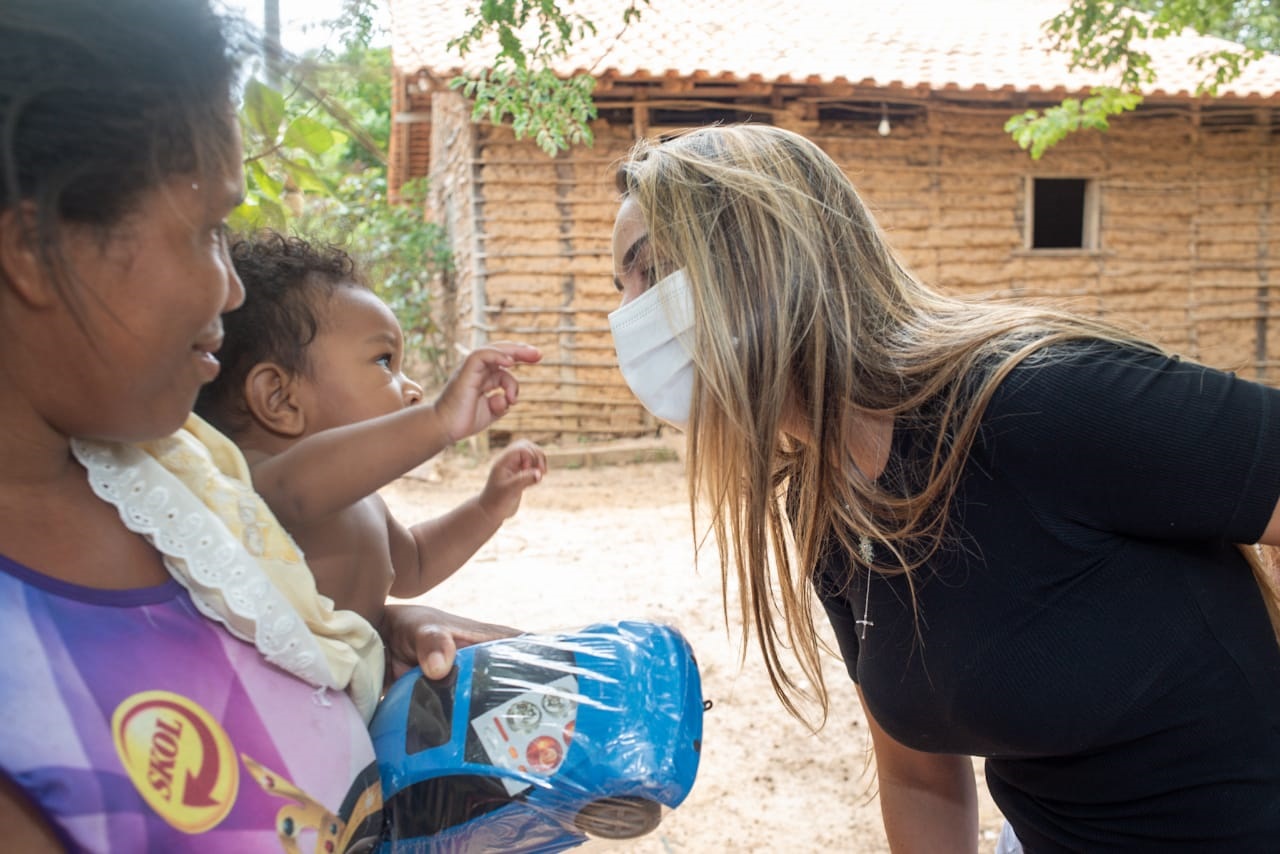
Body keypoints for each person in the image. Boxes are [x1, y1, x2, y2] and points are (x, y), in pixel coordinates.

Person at [608, 124, 1280, 851]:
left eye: (654, 271)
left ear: (766, 258)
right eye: (621, 287)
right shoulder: (823, 502)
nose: (628, 315)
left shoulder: (1038, 399)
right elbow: (918, 776)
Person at [0, 1, 517, 849]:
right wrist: (437, 424)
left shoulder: (179, 477)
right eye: (207, 231)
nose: (230, 290)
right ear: (35, 249)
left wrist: (385, 631)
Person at [194, 230, 547, 626]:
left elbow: (415, 563)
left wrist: (487, 507)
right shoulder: (254, 487)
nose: (412, 389)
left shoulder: (363, 503)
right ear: (280, 398)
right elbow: (299, 494)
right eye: (384, 362)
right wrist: (438, 420)